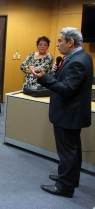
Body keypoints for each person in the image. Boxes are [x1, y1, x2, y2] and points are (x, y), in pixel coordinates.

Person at [30, 27, 93, 198]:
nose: (57, 44)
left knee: (67, 151)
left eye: (60, 41)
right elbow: (67, 82)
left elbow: (66, 89)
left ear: (70, 42)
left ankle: (64, 187)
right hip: (73, 113)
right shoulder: (80, 57)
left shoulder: (78, 61)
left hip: (68, 113)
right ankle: (71, 179)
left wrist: (43, 79)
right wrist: (54, 74)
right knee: (72, 149)